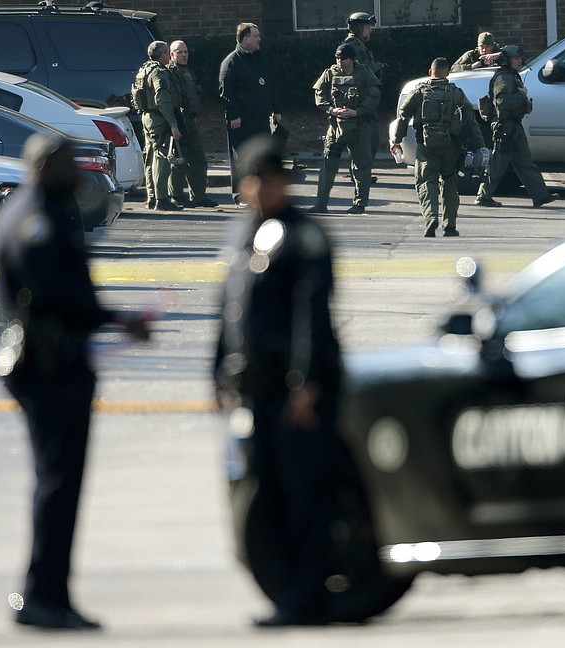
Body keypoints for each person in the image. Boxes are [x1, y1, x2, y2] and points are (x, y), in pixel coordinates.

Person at [0, 133, 150, 630]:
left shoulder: (24, 211)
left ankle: (51, 593)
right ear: (43, 167)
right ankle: (43, 596)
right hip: (49, 365)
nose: (77, 175)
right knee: (58, 484)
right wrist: (120, 320)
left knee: (56, 482)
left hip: (47, 361)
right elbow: (58, 292)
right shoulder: (39, 218)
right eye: (67, 166)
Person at [213, 135, 342, 627]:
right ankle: (286, 593)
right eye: (253, 182)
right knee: (268, 493)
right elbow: (228, 310)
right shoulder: (244, 235)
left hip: (297, 392)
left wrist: (305, 384)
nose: (262, 190)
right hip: (258, 388)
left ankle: (308, 599)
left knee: (305, 493)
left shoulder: (303, 235)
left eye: (270, 181)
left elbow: (312, 314)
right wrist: (218, 371)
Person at [391, 57, 488, 237]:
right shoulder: (456, 93)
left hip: (426, 147)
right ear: (448, 73)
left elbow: (403, 117)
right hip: (452, 146)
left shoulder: (419, 92)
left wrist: (396, 141)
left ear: (430, 72)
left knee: (426, 182)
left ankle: (431, 217)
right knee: (450, 182)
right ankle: (450, 225)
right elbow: (471, 121)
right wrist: (481, 146)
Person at [475, 45, 559, 209]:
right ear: (507, 60)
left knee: (525, 163)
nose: (520, 61)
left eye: (520, 58)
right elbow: (501, 101)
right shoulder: (504, 78)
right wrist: (521, 95)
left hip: (513, 126)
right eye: (515, 58)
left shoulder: (512, 76)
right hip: (505, 127)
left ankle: (540, 195)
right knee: (498, 163)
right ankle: (483, 195)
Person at [309, 43, 381, 215]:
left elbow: (375, 95)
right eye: (338, 58)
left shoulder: (364, 73)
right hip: (335, 128)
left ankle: (359, 204)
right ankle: (321, 203)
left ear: (352, 59)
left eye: (344, 58)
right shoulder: (329, 73)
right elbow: (319, 95)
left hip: (359, 126)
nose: (340, 61)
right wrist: (331, 110)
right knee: (328, 165)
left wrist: (357, 111)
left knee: (361, 165)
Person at [219, 22, 282, 205]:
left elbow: (272, 84)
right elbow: (226, 92)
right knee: (243, 158)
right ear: (245, 39)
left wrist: (276, 109)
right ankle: (241, 195)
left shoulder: (261, 58)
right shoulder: (231, 62)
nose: (259, 39)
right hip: (242, 119)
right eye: (256, 36)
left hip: (261, 117)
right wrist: (234, 116)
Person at [167, 40, 218, 208]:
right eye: (179, 52)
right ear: (171, 54)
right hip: (179, 119)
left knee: (198, 159)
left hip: (191, 119)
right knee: (179, 159)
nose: (183, 55)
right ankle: (176, 194)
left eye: (185, 52)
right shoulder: (170, 72)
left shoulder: (187, 72)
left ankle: (199, 195)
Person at [138, 40, 184, 212]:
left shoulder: (145, 69)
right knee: (161, 159)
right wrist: (173, 124)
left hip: (146, 116)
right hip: (158, 119)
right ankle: (161, 199)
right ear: (163, 54)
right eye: (167, 53)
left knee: (150, 157)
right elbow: (162, 99)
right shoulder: (159, 72)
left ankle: (151, 197)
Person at [341, 12, 387, 165]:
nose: (370, 30)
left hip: (363, 98)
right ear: (358, 28)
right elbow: (362, 69)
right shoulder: (353, 46)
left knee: (370, 136)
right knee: (366, 137)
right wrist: (380, 66)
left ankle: (361, 172)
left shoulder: (357, 45)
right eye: (368, 27)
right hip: (358, 99)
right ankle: (360, 173)